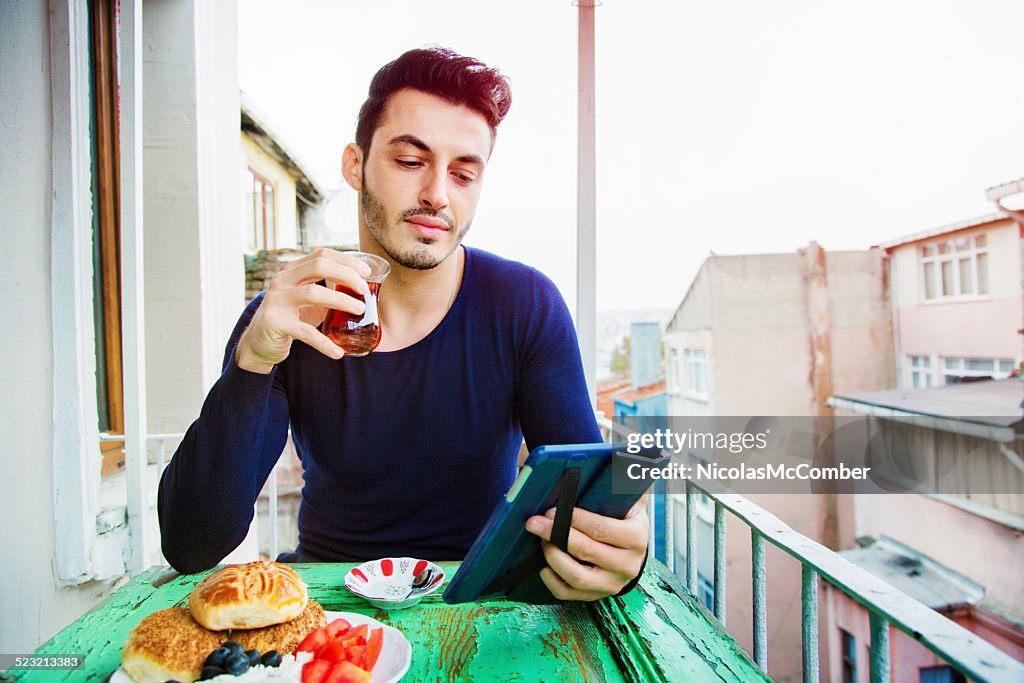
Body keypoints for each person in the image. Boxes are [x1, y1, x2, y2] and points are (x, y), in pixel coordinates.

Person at [159, 46, 648, 601]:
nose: (437, 194)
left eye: (464, 173)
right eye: (411, 161)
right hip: (328, 604)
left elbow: (583, 503)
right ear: (355, 164)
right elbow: (192, 543)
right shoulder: (291, 318)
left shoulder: (522, 303)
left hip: (477, 596)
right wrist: (253, 361)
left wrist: (622, 547)